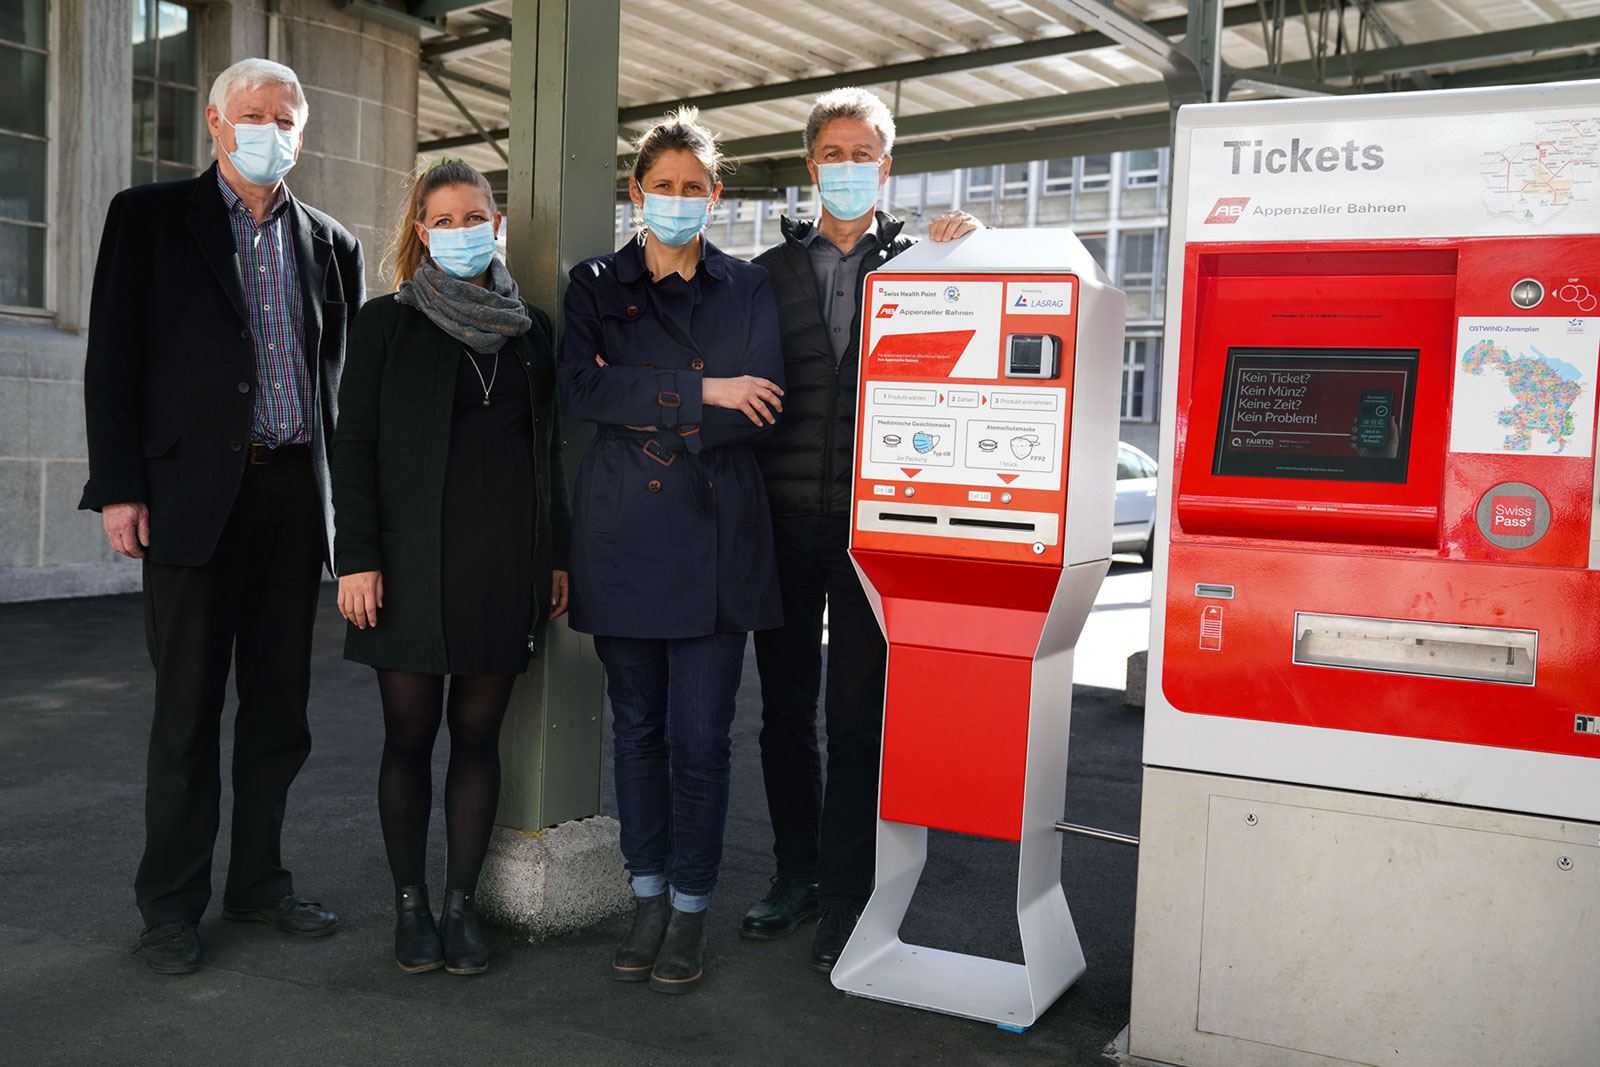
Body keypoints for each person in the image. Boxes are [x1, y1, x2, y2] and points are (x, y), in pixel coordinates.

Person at [79, 58, 364, 975]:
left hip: (291, 496)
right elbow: (112, 359)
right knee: (187, 709)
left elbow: (341, 391)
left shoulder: (333, 244)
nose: (268, 128)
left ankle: (259, 882)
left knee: (281, 711)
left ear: (302, 130)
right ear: (214, 120)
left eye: (284, 116)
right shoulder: (149, 218)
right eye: (251, 113)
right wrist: (120, 486)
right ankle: (170, 904)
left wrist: (347, 511)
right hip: (192, 499)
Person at [744, 87, 980, 971]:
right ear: (812, 167)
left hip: (874, 529)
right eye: (833, 153)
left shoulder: (925, 262)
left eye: (865, 152)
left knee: (859, 714)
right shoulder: (763, 274)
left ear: (889, 164)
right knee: (782, 714)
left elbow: (989, 319)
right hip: (779, 522)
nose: (848, 166)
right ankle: (793, 874)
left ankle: (849, 892)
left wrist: (973, 246)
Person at [559, 108, 784, 995]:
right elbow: (581, 387)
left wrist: (652, 408)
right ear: (637, 191)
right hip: (624, 541)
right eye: (664, 186)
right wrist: (705, 392)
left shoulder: (748, 285)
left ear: (716, 196)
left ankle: (691, 905)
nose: (679, 200)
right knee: (638, 730)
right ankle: (644, 892)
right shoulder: (594, 284)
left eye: (696, 188)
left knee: (701, 738)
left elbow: (763, 404)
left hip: (718, 540)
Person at [330, 159, 570, 976]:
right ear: (422, 232)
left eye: (478, 215)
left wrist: (556, 558)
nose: (465, 229)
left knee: (476, 736)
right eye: (447, 219)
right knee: (408, 736)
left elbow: (551, 453)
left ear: (497, 223)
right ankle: (411, 907)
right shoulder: (385, 325)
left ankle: (461, 907)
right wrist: (354, 558)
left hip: (503, 568)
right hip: (403, 567)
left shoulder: (532, 328)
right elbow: (352, 446)